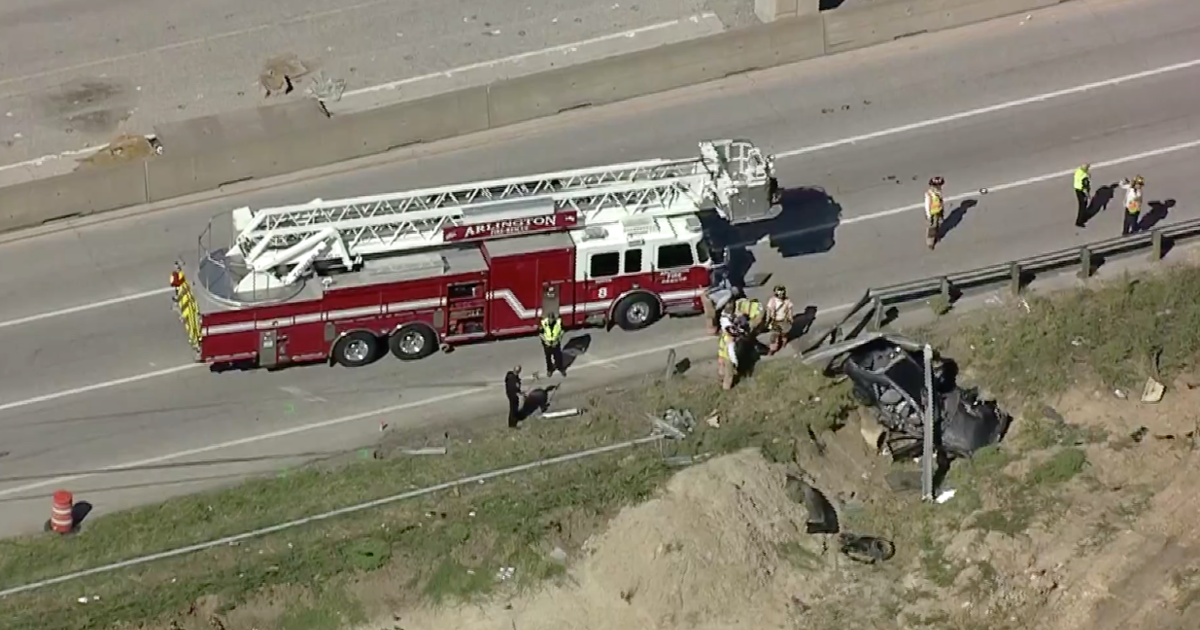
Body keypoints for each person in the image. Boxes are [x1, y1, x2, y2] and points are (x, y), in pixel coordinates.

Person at [765, 285, 795, 355]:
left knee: (782, 334)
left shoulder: (787, 301)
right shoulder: (772, 300)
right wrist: (767, 320)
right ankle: (774, 348)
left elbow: (790, 310)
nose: (781, 295)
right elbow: (769, 310)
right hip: (775, 321)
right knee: (774, 336)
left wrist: (790, 319)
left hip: (782, 320)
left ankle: (782, 343)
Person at [539, 312, 566, 377]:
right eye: (550, 319)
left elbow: (562, 331)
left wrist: (558, 340)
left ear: (554, 319)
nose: (551, 321)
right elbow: (540, 334)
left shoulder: (558, 323)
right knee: (548, 358)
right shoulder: (544, 323)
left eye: (552, 319)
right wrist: (546, 341)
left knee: (558, 357)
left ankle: (561, 368)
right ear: (548, 318)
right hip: (547, 344)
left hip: (556, 343)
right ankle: (549, 370)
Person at [925, 177, 946, 250]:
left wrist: (942, 210)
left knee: (938, 225)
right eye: (938, 186)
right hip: (932, 214)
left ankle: (936, 236)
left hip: (938, 211)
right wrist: (928, 215)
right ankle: (930, 242)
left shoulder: (939, 193)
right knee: (931, 228)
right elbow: (927, 205)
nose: (940, 187)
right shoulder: (929, 194)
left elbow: (941, 202)